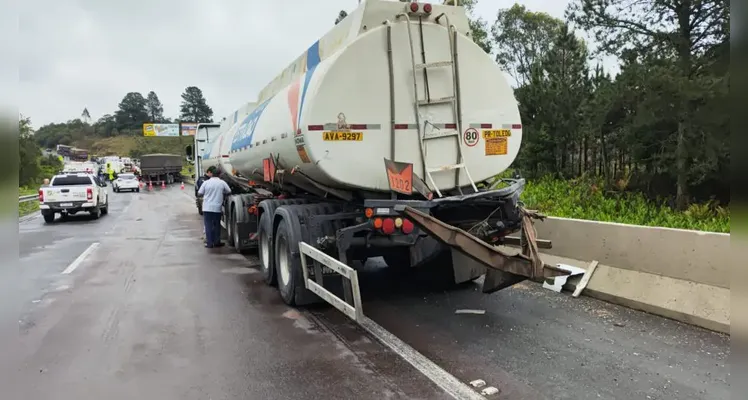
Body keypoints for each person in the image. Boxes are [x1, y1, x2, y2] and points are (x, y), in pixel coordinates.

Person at [197, 166, 231, 248]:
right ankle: (217, 242)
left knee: (208, 225)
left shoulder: (206, 183)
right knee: (216, 225)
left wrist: (207, 194)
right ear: (219, 175)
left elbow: (199, 193)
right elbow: (229, 191)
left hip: (207, 207)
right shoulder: (222, 183)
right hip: (217, 208)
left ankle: (209, 243)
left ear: (212, 174)